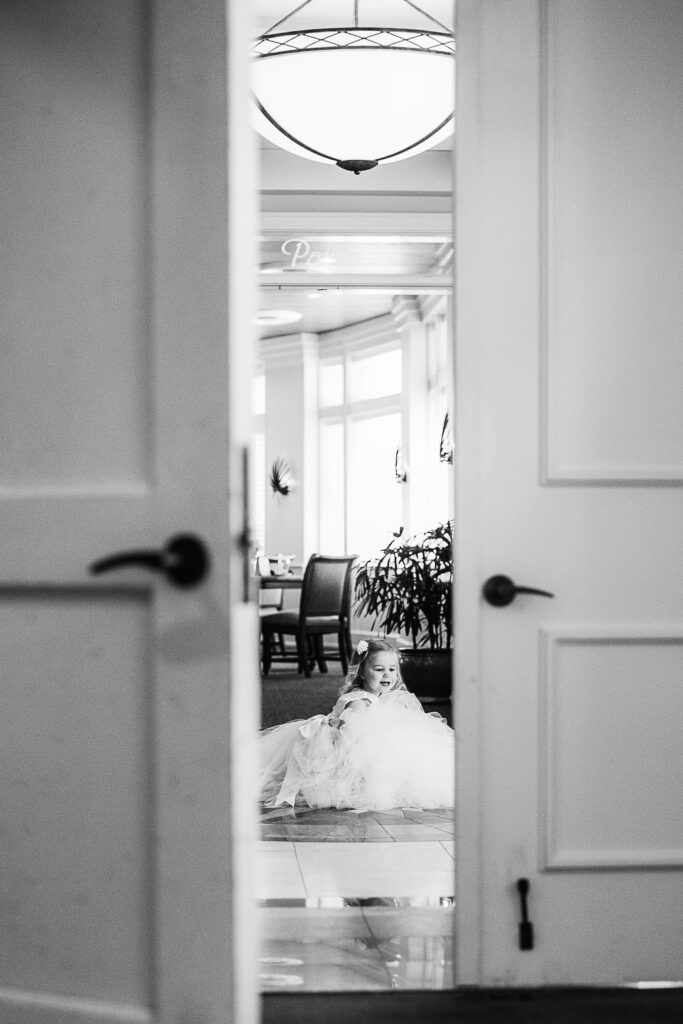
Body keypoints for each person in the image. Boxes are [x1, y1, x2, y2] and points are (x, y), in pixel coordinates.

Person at [259, 637, 455, 811]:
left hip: (358, 744)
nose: (387, 675)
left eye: (392, 669)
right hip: (340, 748)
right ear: (362, 672)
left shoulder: (382, 697)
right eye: (379, 670)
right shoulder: (360, 701)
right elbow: (351, 741)